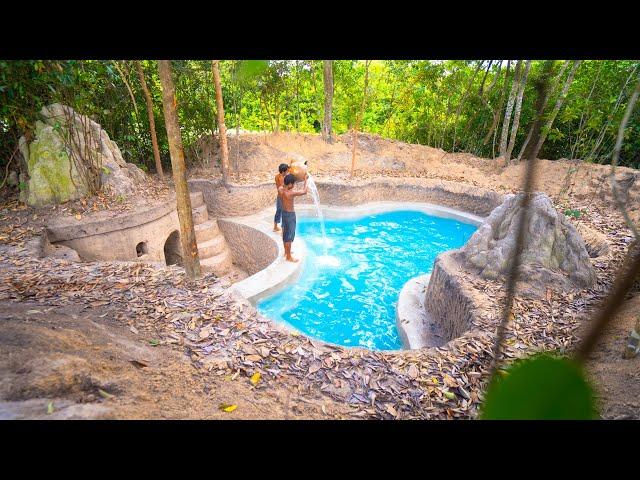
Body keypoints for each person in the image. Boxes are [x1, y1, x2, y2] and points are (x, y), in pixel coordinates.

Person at [278, 172, 308, 262]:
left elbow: (283, 184)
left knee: (285, 234)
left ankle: (286, 252)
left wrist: (288, 178)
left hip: (284, 214)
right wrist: (306, 180)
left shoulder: (280, 189)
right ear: (290, 184)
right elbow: (304, 191)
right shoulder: (290, 193)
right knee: (289, 236)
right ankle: (288, 257)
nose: (294, 185)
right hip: (290, 216)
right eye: (293, 183)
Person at [273, 163, 290, 232]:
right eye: (287, 171)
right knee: (284, 213)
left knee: (278, 211)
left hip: (279, 197)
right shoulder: (282, 179)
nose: (288, 172)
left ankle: (275, 227)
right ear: (283, 171)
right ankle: (283, 231)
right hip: (283, 198)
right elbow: (283, 188)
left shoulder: (277, 176)